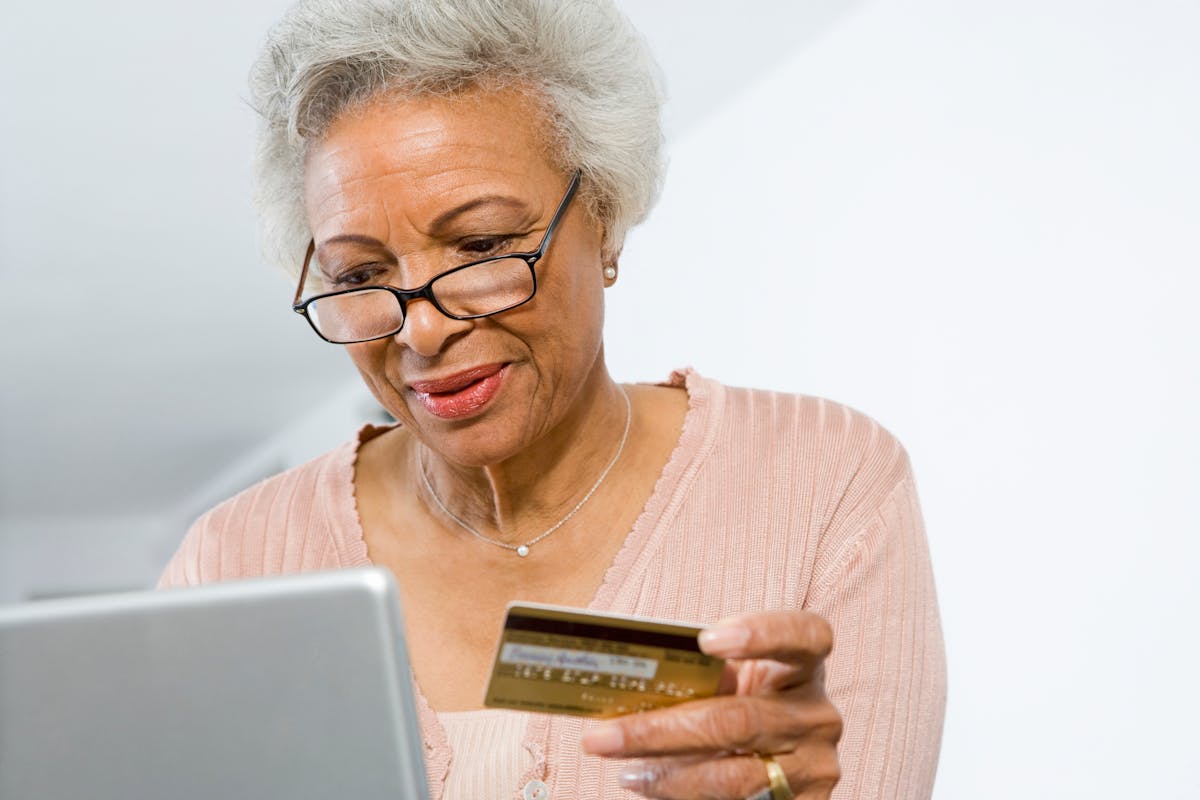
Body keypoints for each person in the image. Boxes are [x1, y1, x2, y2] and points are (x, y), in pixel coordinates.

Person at [158, 1, 946, 798]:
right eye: (361, 275)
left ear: (603, 218)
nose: (422, 331)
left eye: (483, 246)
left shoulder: (821, 480)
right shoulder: (234, 564)